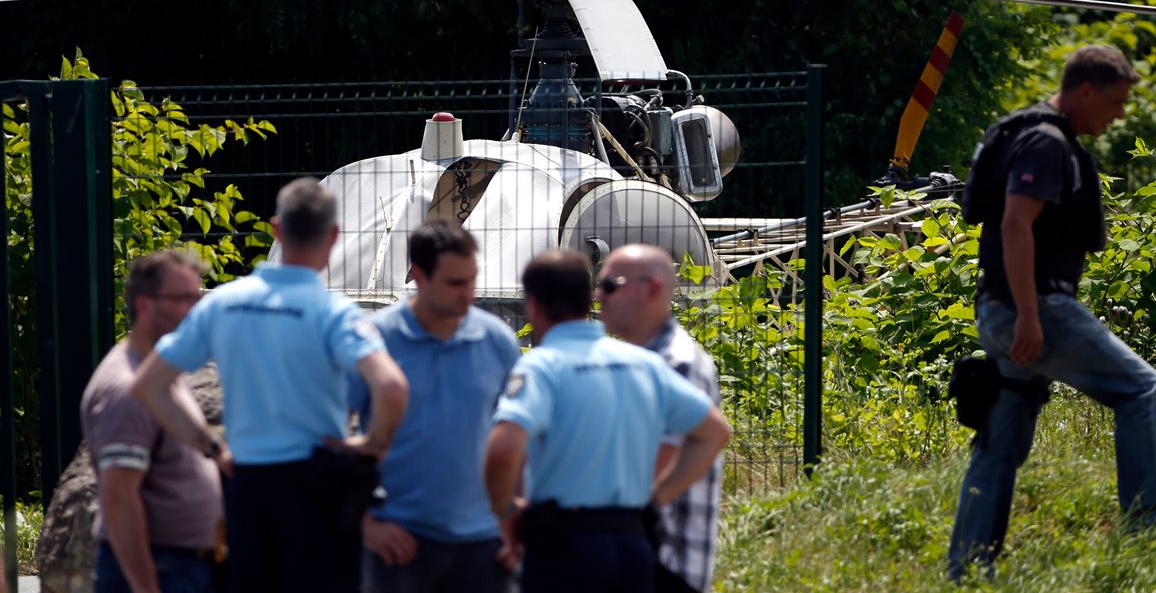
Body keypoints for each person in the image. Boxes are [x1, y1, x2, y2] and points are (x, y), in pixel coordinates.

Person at [947, 46, 1156, 580]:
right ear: (1086, 91)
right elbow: (1013, 226)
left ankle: (967, 569)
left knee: (1001, 439)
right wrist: (1029, 314)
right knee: (1143, 391)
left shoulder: (1038, 135)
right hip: (1033, 307)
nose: (1118, 116)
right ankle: (1150, 540)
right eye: (1115, 103)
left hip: (1008, 307)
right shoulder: (1047, 143)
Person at [133, 178, 410, 593]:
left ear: (276, 229)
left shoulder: (224, 303)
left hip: (247, 486)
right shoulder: (333, 313)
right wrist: (372, 445)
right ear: (333, 235)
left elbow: (150, 385)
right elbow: (391, 387)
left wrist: (211, 447)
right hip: (317, 487)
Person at [484, 250, 731, 593]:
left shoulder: (542, 366)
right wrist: (651, 499)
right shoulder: (644, 364)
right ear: (587, 301)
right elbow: (716, 431)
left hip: (563, 547)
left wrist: (506, 514)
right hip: (632, 545)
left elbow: (502, 448)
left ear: (534, 306)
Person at [351, 219, 521, 593]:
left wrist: (513, 522)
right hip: (399, 542)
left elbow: (518, 437)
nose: (469, 294)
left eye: (472, 280)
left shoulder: (498, 341)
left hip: (482, 543)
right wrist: (365, 525)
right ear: (419, 276)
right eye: (455, 283)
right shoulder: (373, 341)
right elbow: (324, 436)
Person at [82, 250, 222, 593]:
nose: (195, 310)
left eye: (197, 297)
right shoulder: (125, 390)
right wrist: (146, 586)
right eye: (182, 299)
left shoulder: (158, 368)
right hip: (160, 570)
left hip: (180, 565)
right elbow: (119, 498)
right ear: (144, 305)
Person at [597, 244, 722, 593]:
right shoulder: (642, 359)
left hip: (662, 560)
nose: (599, 295)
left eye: (610, 285)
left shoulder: (674, 362)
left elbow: (654, 463)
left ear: (651, 289)